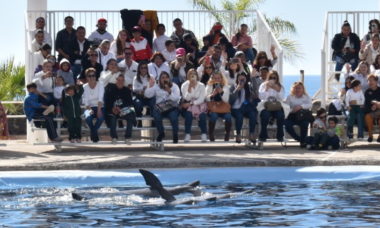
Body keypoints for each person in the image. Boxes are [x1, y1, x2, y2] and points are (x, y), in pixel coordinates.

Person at [144, 71, 181, 143]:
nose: (165, 79)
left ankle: (175, 135)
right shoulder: (156, 86)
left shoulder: (174, 86)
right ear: (160, 79)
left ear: (169, 79)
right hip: (160, 108)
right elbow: (147, 95)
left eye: (166, 77)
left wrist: (169, 92)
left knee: (174, 117)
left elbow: (176, 98)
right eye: (163, 78)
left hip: (171, 107)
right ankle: (161, 133)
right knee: (156, 114)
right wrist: (150, 86)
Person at [104, 74, 136, 144]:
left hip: (123, 110)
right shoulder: (110, 90)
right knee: (112, 117)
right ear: (116, 81)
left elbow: (130, 103)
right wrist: (113, 108)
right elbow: (107, 102)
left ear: (124, 81)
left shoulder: (127, 90)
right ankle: (114, 137)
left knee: (131, 115)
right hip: (113, 110)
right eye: (119, 80)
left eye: (122, 80)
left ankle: (128, 137)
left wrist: (121, 108)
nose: (120, 82)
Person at [229, 72, 258, 143]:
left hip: (247, 107)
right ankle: (238, 134)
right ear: (237, 79)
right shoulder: (233, 86)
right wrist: (237, 89)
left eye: (243, 79)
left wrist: (253, 78)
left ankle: (251, 133)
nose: (242, 80)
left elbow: (255, 90)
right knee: (239, 116)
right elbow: (231, 100)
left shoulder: (249, 87)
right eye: (240, 79)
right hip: (236, 108)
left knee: (253, 115)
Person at [180, 69, 207, 142]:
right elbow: (186, 98)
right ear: (187, 76)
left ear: (197, 75)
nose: (192, 76)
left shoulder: (202, 85)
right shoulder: (184, 85)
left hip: (199, 106)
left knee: (202, 116)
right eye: (190, 74)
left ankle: (204, 134)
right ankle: (187, 134)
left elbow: (201, 99)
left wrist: (192, 103)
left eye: (194, 74)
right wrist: (189, 88)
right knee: (188, 115)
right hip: (188, 107)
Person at [258, 70, 285, 142]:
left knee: (280, 115)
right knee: (265, 115)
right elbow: (261, 97)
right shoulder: (263, 85)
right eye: (270, 77)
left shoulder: (280, 86)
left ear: (277, 78)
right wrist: (266, 89)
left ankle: (280, 136)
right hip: (266, 106)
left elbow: (281, 98)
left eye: (274, 78)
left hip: (276, 106)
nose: (272, 79)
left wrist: (277, 90)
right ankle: (263, 136)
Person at [284, 82, 313, 148]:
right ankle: (300, 139)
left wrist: (301, 106)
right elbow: (286, 107)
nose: (297, 90)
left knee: (305, 124)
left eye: (299, 88)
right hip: (292, 115)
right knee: (287, 125)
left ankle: (303, 142)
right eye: (296, 88)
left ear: (303, 89)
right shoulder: (289, 97)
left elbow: (310, 105)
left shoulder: (306, 97)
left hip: (302, 116)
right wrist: (292, 110)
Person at [205, 71, 231, 141]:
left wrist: (221, 92)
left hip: (223, 107)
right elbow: (206, 98)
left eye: (218, 78)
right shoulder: (209, 86)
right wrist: (212, 94)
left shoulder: (225, 86)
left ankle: (227, 134)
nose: (217, 80)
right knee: (213, 116)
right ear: (212, 78)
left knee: (228, 116)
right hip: (213, 107)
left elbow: (226, 100)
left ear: (221, 78)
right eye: (215, 78)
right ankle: (211, 133)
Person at [82, 70, 105, 142]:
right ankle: (94, 133)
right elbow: (85, 101)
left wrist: (99, 110)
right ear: (86, 77)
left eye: (93, 75)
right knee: (87, 117)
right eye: (89, 76)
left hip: (100, 107)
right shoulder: (84, 86)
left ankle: (93, 133)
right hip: (89, 107)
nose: (92, 77)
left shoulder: (100, 84)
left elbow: (100, 98)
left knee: (101, 118)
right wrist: (89, 109)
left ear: (96, 76)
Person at [364, 74, 380, 142]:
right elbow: (366, 104)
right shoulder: (367, 92)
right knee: (367, 116)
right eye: (369, 81)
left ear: (376, 81)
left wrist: (377, 105)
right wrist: (371, 108)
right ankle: (370, 135)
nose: (370, 82)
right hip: (371, 112)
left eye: (372, 80)